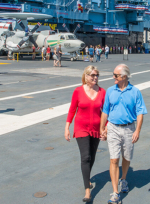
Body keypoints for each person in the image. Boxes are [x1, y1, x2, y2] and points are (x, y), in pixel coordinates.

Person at [100, 64, 147, 204]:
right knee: (114, 159)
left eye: (116, 75)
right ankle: (115, 192)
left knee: (126, 156)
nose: (113, 77)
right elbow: (105, 111)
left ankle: (124, 179)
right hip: (113, 127)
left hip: (129, 128)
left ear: (124, 77)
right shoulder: (110, 91)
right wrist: (102, 128)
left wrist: (137, 130)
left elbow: (140, 113)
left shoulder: (135, 92)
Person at [65, 66, 106, 203]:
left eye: (97, 75)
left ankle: (87, 177)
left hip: (96, 128)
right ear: (86, 76)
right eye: (93, 75)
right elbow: (72, 110)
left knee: (92, 157)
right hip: (81, 127)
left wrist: (105, 129)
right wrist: (67, 127)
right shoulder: (78, 91)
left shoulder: (102, 92)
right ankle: (87, 191)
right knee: (86, 157)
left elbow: (105, 113)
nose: (95, 77)